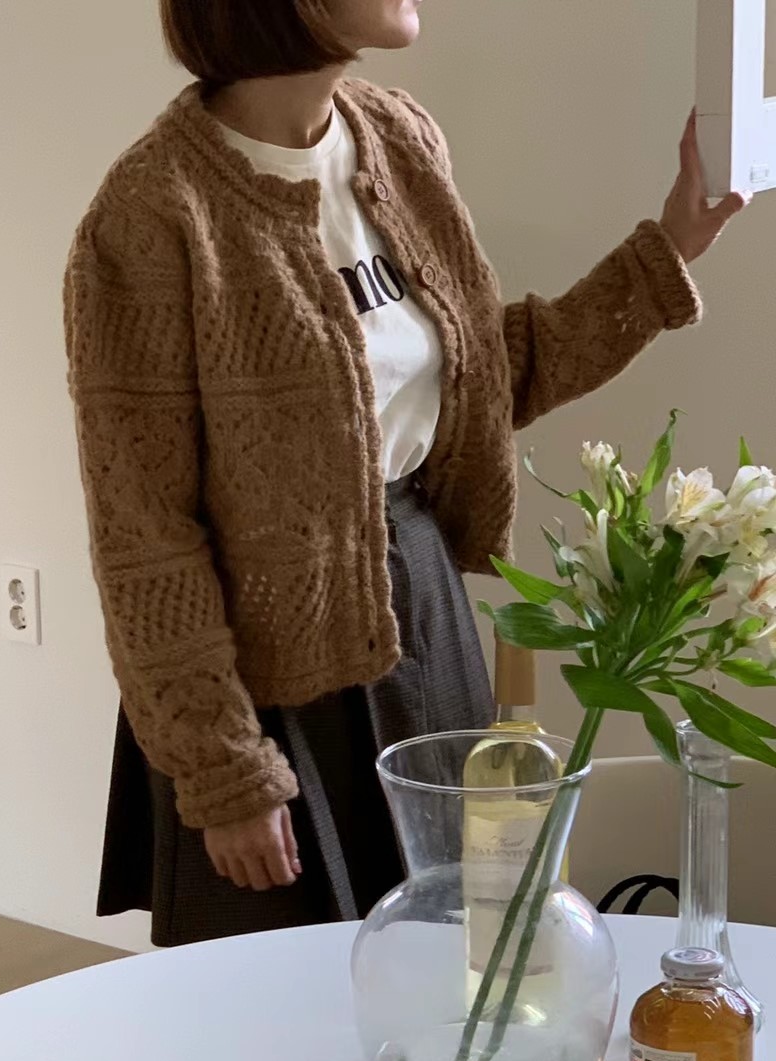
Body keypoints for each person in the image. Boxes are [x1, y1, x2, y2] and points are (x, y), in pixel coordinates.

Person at [64, 0, 745, 946]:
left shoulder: (396, 137)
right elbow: (145, 535)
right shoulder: (150, 216)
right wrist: (224, 770)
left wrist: (665, 252)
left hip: (422, 622)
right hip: (266, 684)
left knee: (449, 968)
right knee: (273, 998)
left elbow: (482, 378)